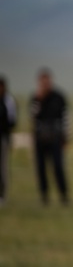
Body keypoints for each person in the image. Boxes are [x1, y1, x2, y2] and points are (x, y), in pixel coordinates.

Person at [30, 67, 70, 206]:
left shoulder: (59, 97)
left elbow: (65, 118)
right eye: (43, 82)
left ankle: (63, 195)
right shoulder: (36, 98)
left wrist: (66, 137)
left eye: (48, 81)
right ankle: (44, 195)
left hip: (55, 137)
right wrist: (39, 100)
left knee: (58, 167)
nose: (46, 84)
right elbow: (33, 117)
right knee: (41, 168)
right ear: (39, 82)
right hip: (40, 139)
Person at [0, 75, 16, 206]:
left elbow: (12, 121)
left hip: (3, 138)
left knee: (3, 167)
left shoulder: (8, 101)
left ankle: (2, 195)